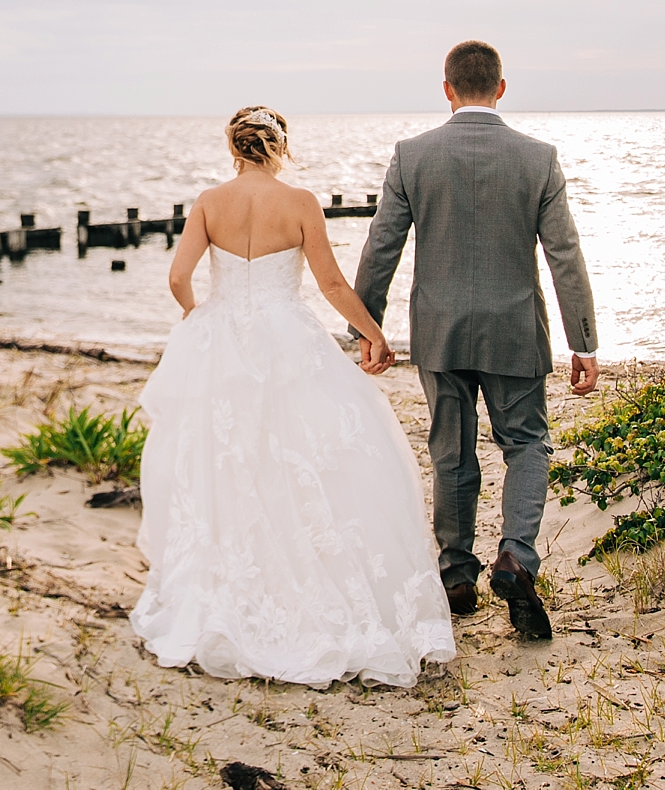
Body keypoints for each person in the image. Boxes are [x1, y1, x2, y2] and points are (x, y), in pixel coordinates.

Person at [129, 106, 456, 687]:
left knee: (227, 465)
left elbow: (179, 277)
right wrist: (372, 333)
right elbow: (331, 284)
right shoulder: (302, 202)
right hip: (288, 337)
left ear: (234, 147)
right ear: (280, 146)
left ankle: (228, 594)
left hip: (224, 339)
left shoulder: (209, 201)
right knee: (309, 458)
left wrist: (198, 316)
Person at [353, 40, 600, 642]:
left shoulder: (413, 156)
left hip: (439, 329)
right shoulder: (537, 158)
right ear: (501, 87)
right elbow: (564, 253)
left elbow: (382, 246)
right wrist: (583, 341)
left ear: (446, 89)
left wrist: (368, 329)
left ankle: (457, 573)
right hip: (515, 328)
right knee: (527, 444)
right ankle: (515, 556)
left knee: (451, 452)